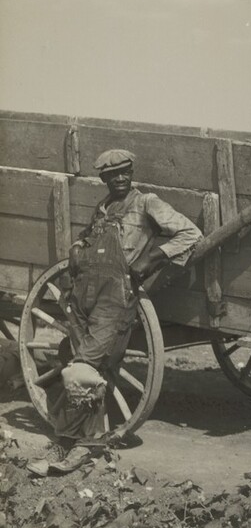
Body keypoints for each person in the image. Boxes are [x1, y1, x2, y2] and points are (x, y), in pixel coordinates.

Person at [28, 149, 203, 475]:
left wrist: (154, 258)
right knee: (82, 364)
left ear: (131, 172)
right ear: (104, 178)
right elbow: (87, 238)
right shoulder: (104, 207)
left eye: (125, 172)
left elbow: (190, 233)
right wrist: (78, 248)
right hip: (85, 296)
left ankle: (76, 445)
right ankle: (74, 440)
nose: (121, 178)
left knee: (83, 371)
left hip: (117, 298)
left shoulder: (147, 203)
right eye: (114, 174)